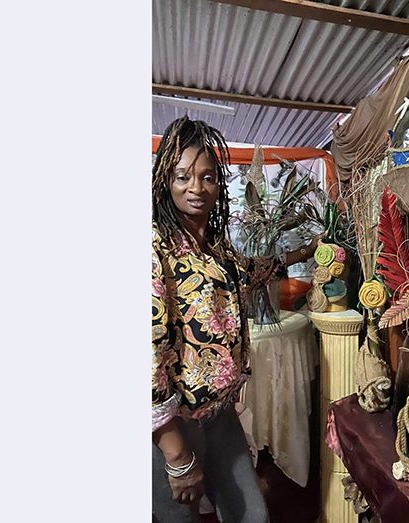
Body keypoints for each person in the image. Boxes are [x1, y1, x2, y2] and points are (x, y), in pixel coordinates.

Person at [151, 116, 319, 522]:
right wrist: (174, 452)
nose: (196, 188)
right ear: (164, 182)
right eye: (183, 176)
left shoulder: (215, 246)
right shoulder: (154, 248)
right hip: (172, 424)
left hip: (218, 413)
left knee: (252, 514)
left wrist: (308, 251)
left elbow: (251, 272)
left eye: (208, 177)